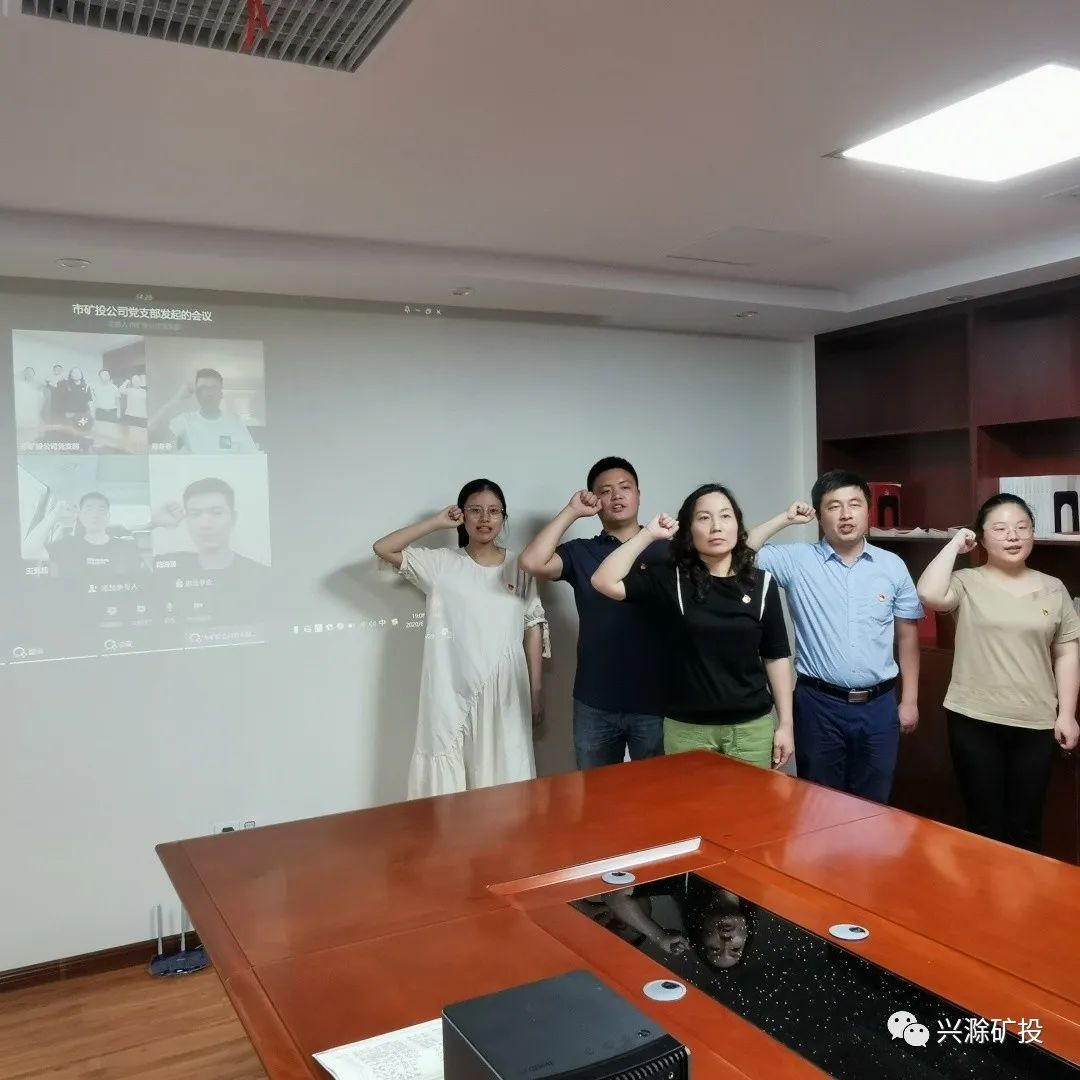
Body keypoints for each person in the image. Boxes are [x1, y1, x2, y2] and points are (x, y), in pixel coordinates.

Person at [916, 494, 1080, 852]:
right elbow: (928, 593)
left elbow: (1067, 652)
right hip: (973, 718)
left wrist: (1066, 714)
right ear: (981, 537)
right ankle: (982, 888)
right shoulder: (966, 581)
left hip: (1035, 721)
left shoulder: (1054, 588)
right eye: (1001, 529)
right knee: (983, 824)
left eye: (1022, 527)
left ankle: (1021, 890)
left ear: (1033, 533)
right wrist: (955, 544)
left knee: (1026, 827)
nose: (1013, 536)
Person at [591, 484, 794, 770]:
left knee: (752, 801)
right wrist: (647, 535)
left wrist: (786, 724)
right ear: (688, 529)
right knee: (689, 802)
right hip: (687, 729)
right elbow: (603, 581)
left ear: (738, 526)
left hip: (751, 729)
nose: (716, 527)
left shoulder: (761, 584)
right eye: (704, 518)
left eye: (725, 516)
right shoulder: (671, 580)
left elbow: (775, 656)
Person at [748, 470, 922, 803]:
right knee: (819, 803)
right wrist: (784, 519)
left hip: (879, 705)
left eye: (854, 504)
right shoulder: (797, 560)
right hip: (818, 705)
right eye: (833, 506)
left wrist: (910, 700)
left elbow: (907, 637)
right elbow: (739, 552)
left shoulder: (892, 565)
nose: (845, 514)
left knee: (874, 804)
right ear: (819, 514)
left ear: (868, 510)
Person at [374, 479, 549, 798]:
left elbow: (533, 625)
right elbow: (384, 548)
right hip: (449, 690)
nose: (485, 518)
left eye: (494, 511)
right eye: (475, 510)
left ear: (504, 517)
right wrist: (436, 522)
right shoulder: (441, 564)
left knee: (505, 772)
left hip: (506, 690)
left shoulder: (520, 565)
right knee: (451, 774)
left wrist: (536, 692)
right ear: (462, 516)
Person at [520, 457, 668, 768]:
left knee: (660, 792)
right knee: (596, 793)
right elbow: (531, 562)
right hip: (595, 702)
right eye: (605, 491)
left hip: (657, 700)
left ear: (638, 494)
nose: (616, 496)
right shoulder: (581, 551)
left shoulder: (666, 548)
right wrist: (572, 511)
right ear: (595, 500)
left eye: (625, 487)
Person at [152, 477, 268, 583]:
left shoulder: (260, 575)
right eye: (195, 514)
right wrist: (153, 523)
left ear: (233, 518)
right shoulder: (168, 567)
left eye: (216, 513)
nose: (205, 524)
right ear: (187, 521)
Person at [22, 492, 146, 577]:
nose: (95, 514)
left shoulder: (127, 547)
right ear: (80, 516)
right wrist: (54, 514)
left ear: (108, 517)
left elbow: (141, 582)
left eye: (101, 510)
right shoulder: (68, 545)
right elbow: (28, 552)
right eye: (89, 509)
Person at [151, 368, 258, 453]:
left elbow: (253, 457)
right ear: (197, 394)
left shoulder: (235, 423)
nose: (209, 393)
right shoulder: (184, 421)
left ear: (221, 394)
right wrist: (177, 399)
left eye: (213, 388)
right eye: (203, 388)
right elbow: (150, 435)